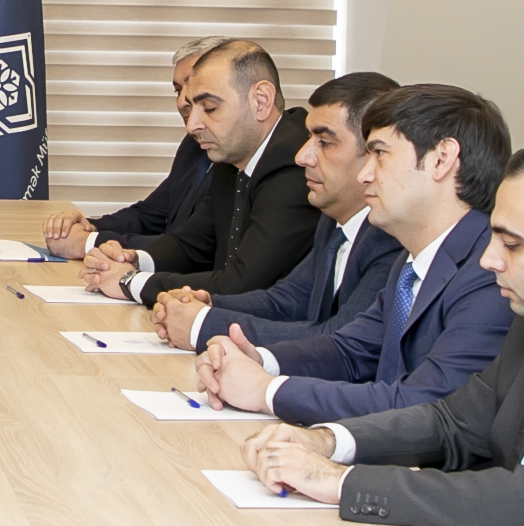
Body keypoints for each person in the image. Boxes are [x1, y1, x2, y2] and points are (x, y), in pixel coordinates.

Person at [236, 143, 524, 526]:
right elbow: (453, 422)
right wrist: (327, 441)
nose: (489, 260)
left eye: (511, 245)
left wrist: (339, 481)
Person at [192, 83, 512, 425]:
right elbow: (350, 351)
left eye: (380, 154)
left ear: (441, 159)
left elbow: (423, 402)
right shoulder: (413, 261)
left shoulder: (489, 271)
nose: (364, 174)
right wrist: (259, 359)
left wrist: (267, 390)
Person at [151, 69, 398, 352]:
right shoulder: (333, 221)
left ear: (375, 155)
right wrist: (207, 303)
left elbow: (341, 339)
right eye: (308, 138)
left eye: (325, 142)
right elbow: (287, 300)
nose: (302, 156)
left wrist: (202, 325)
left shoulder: (390, 237)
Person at [82, 41, 316, 307]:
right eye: (192, 108)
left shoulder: (297, 164)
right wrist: (133, 260)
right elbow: (191, 244)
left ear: (260, 101)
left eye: (210, 108)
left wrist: (130, 282)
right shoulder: (232, 157)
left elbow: (241, 284)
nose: (192, 125)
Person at [42, 37, 225, 256]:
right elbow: (150, 215)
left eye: (194, 86)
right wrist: (88, 226)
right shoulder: (193, 145)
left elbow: (194, 246)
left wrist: (89, 242)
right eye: (178, 90)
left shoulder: (239, 157)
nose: (181, 101)